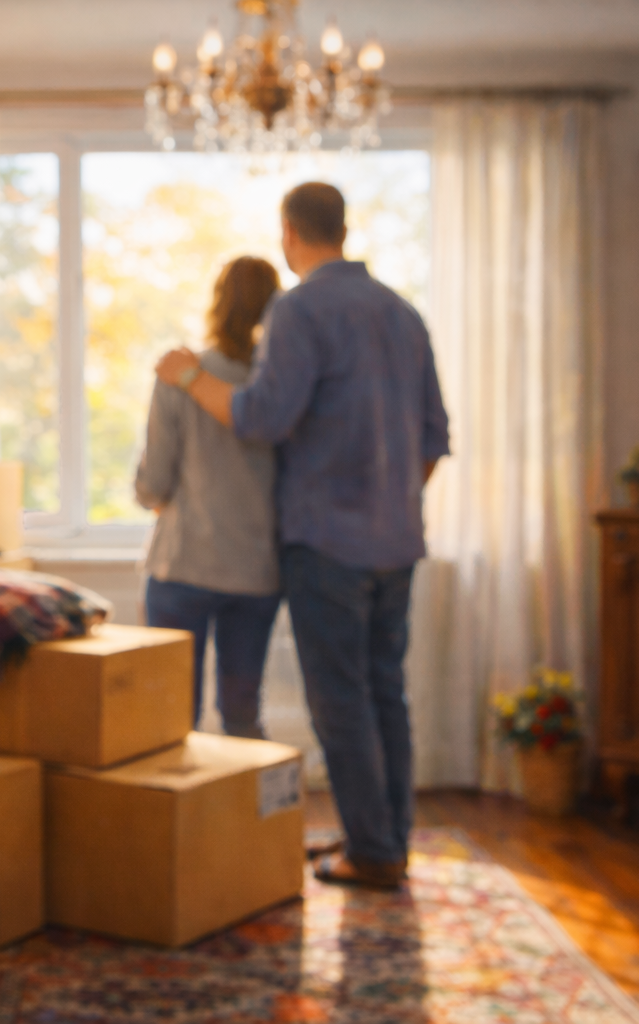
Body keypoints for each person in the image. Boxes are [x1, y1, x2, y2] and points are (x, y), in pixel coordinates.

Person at [155, 182, 449, 888]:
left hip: (327, 547)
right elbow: (435, 438)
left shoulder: (301, 307)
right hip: (397, 542)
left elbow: (262, 417)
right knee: (387, 695)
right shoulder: (403, 313)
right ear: (342, 229)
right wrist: (391, 502)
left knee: (340, 699)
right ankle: (384, 840)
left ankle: (373, 852)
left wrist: (190, 376)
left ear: (289, 233)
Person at [135, 255, 282, 740]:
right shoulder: (284, 385)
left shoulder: (183, 373)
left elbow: (154, 482)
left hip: (185, 565)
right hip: (256, 569)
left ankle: (177, 817)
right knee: (242, 712)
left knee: (171, 717)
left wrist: (157, 497)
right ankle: (243, 816)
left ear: (217, 303)